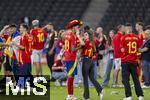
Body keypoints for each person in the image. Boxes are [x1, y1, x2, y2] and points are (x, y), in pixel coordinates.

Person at [120, 23, 144, 100]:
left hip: (125, 61)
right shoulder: (137, 37)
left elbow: (122, 50)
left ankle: (128, 96)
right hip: (134, 61)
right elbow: (139, 49)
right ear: (132, 28)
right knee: (136, 79)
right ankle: (140, 96)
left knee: (126, 80)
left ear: (127, 29)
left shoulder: (123, 38)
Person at [63, 20, 83, 100]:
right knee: (71, 76)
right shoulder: (72, 36)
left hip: (68, 57)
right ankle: (70, 95)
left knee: (71, 76)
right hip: (71, 58)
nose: (78, 29)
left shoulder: (68, 35)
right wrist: (80, 46)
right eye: (77, 27)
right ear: (73, 27)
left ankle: (70, 94)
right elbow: (73, 49)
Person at [81, 30, 103, 100]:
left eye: (86, 34)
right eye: (84, 34)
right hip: (91, 61)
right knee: (92, 78)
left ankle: (86, 97)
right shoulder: (93, 42)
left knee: (85, 79)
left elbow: (82, 45)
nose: (84, 36)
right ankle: (100, 89)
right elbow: (95, 51)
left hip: (86, 60)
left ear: (89, 36)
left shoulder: (87, 42)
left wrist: (79, 37)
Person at [12, 23, 32, 88]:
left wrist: (15, 43)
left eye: (21, 27)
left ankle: (20, 87)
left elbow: (22, 47)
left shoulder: (24, 37)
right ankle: (31, 86)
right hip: (28, 57)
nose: (19, 29)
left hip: (24, 57)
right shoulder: (28, 36)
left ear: (24, 29)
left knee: (22, 73)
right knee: (28, 73)